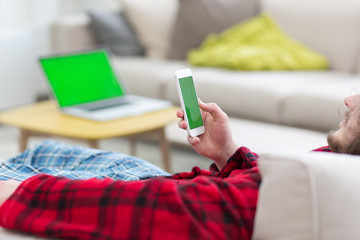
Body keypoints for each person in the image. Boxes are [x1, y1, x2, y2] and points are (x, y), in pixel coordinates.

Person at [0, 92, 356, 240]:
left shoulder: (337, 175)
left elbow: (169, 208)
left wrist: (23, 194)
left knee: (23, 169)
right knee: (42, 151)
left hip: (164, 192)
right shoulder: (344, 161)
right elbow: (281, 190)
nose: (350, 99)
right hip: (186, 185)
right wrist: (230, 155)